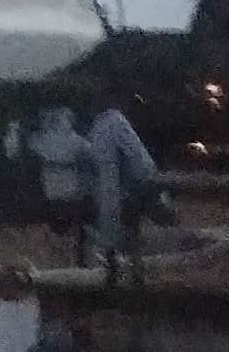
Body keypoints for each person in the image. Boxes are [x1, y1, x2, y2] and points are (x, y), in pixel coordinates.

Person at [23, 91, 160, 270]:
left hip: (69, 198)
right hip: (85, 201)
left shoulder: (38, 138)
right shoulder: (103, 127)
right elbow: (135, 167)